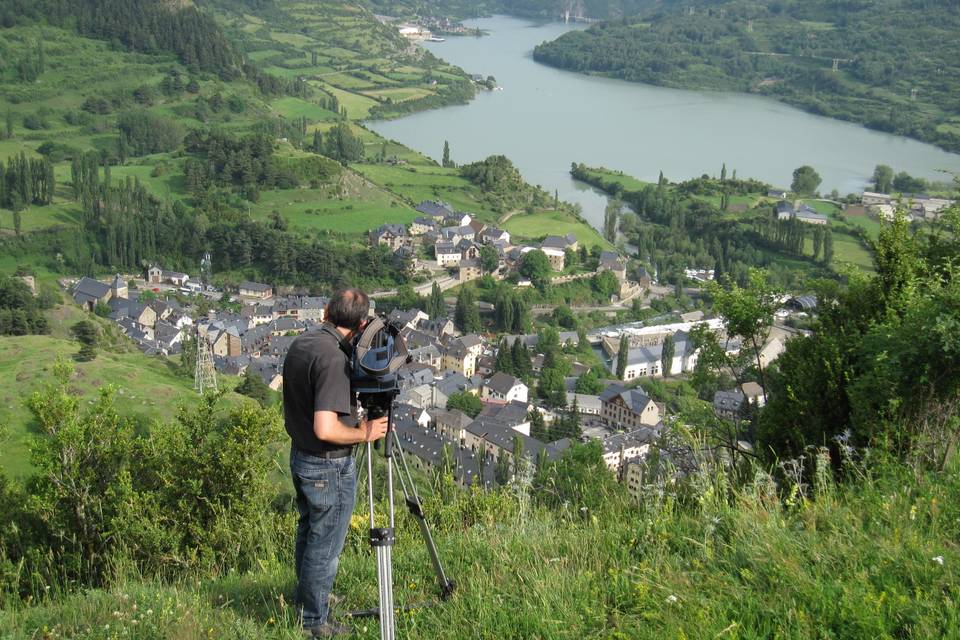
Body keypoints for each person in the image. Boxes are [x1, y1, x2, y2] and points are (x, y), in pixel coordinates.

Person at [283, 288, 389, 637]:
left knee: (310, 533)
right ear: (361, 325)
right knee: (325, 546)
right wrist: (365, 432)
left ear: (326, 311)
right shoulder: (332, 360)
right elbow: (326, 427)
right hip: (327, 464)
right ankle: (313, 621)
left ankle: (308, 599)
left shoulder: (303, 343)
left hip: (301, 455)